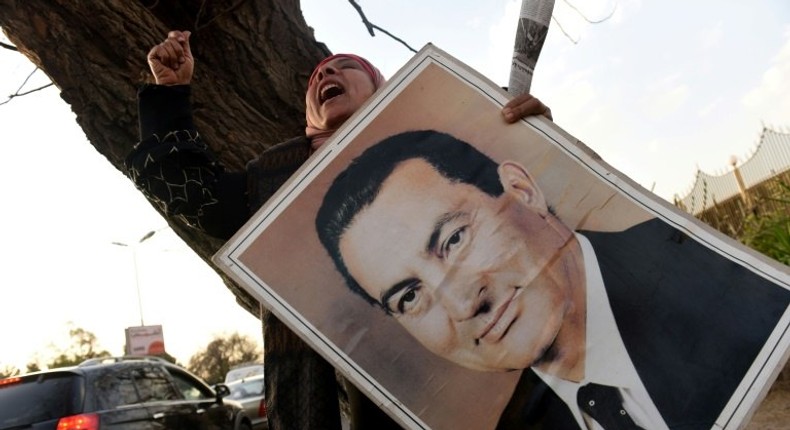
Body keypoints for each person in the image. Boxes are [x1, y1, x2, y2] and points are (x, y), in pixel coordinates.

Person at [126, 30, 553, 429]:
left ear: (382, 86)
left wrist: (536, 138)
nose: (326, 72)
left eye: (345, 65)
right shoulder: (277, 177)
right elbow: (196, 198)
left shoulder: (445, 141)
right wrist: (169, 95)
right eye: (316, 78)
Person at [315, 130, 790, 429]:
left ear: (522, 192)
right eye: (410, 296)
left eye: (455, 239)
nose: (461, 302)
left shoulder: (719, 281)